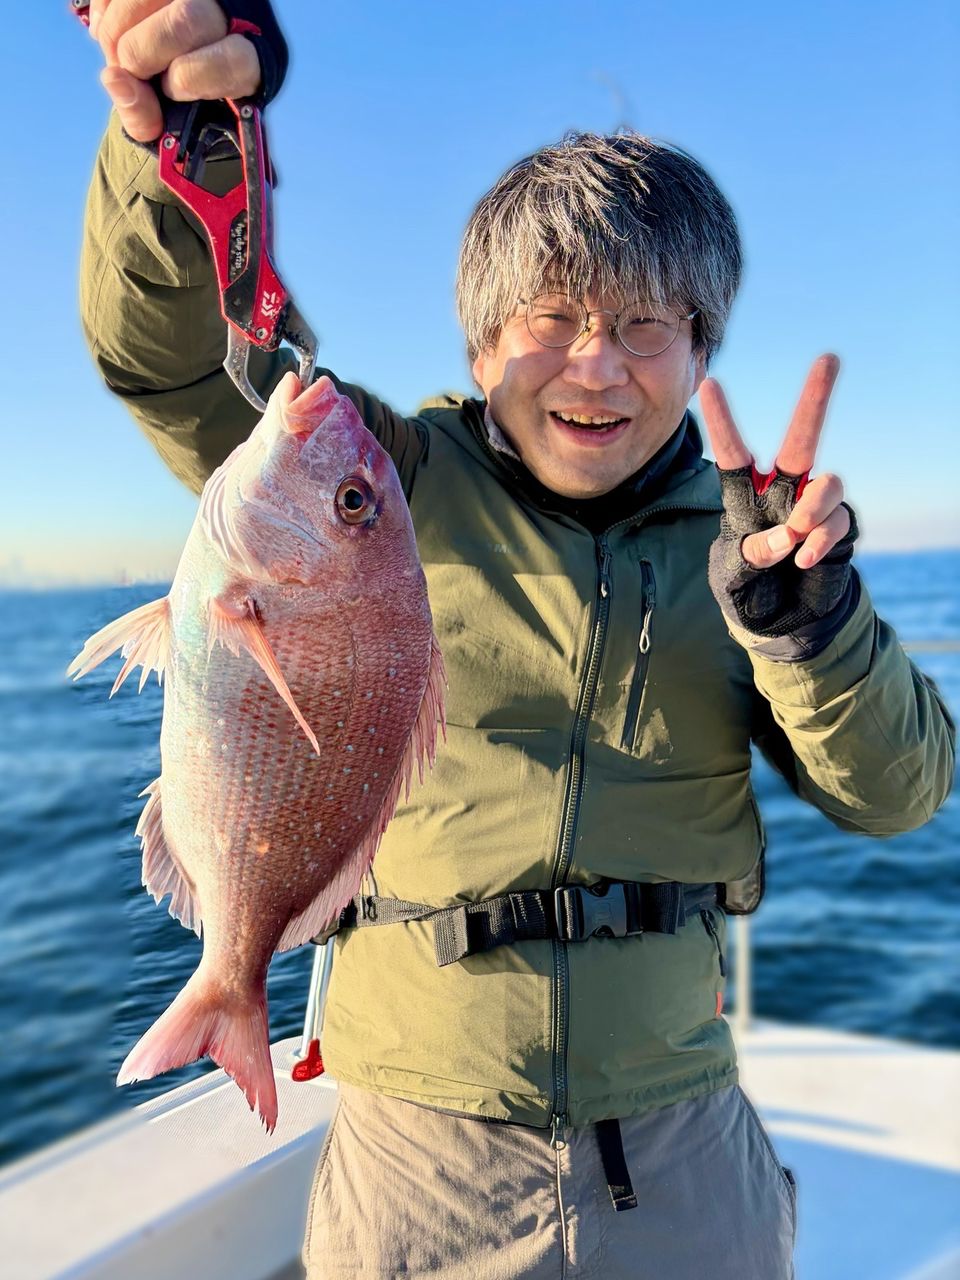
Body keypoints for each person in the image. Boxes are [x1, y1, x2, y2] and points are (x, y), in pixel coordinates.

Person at [81, 3, 955, 1277]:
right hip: (416, 1150)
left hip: (681, 1142)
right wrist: (193, 156)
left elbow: (904, 793)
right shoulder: (377, 473)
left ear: (700, 348)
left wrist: (813, 630)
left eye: (647, 324)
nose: (595, 368)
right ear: (482, 343)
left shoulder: (752, 543)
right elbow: (176, 357)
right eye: (550, 317)